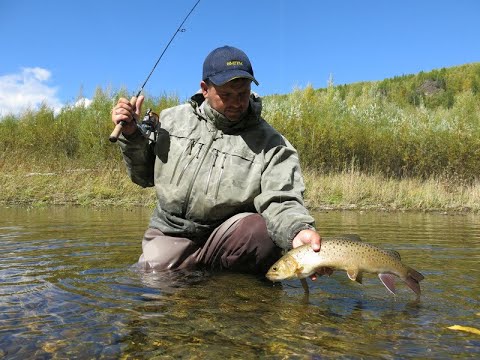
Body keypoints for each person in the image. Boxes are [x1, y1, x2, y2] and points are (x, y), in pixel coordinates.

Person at [111, 45, 323, 276]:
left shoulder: (273, 143)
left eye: (242, 94)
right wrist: (132, 135)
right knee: (155, 291)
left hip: (229, 237)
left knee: (261, 232)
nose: (236, 103)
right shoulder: (172, 120)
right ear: (205, 89)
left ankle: (232, 293)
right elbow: (143, 177)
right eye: (226, 95)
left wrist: (297, 231)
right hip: (172, 233)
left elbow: (282, 200)